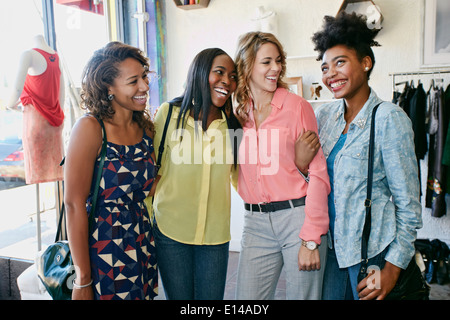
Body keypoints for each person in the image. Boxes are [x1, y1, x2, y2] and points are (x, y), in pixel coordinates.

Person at [310, 12, 422, 300]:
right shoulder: (325, 117)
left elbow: (409, 206)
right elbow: (314, 181)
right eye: (325, 67)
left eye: (340, 63)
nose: (330, 74)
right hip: (332, 249)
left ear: (365, 62)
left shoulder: (389, 119)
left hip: (373, 254)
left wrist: (392, 269)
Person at [233, 31, 330, 300]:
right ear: (247, 65)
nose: (275, 68)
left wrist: (311, 238)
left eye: (278, 61)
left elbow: (319, 175)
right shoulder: (238, 114)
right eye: (266, 62)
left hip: (297, 219)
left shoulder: (297, 107)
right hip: (254, 223)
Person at [64, 41, 158, 300]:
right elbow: (73, 204)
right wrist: (82, 279)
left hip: (142, 241)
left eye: (144, 77)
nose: (144, 87)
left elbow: (147, 187)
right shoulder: (91, 129)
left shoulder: (146, 129)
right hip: (104, 246)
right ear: (109, 87)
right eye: (133, 81)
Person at [146, 48, 240, 300]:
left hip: (215, 237)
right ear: (200, 73)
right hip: (170, 231)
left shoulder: (233, 125)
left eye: (232, 77)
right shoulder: (168, 114)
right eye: (219, 72)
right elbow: (150, 173)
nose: (227, 82)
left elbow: (240, 178)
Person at [7, 34, 65, 184]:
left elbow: (17, 88)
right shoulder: (56, 57)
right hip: (55, 123)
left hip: (36, 121)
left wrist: (9, 104)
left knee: (37, 175)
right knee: (56, 174)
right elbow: (61, 94)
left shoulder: (28, 55)